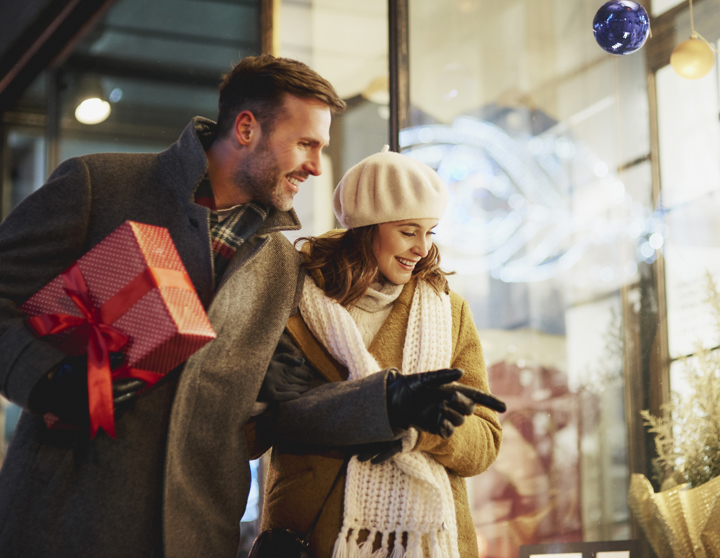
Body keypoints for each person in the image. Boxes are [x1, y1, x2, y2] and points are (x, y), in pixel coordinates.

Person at [0, 54, 344, 557]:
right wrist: (47, 378)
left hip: (197, 536)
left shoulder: (282, 268)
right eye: (306, 143)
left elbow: (266, 421)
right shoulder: (100, 185)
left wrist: (265, 393)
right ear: (246, 128)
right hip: (64, 520)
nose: (316, 166)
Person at [247, 148, 504, 558]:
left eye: (430, 231)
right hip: (311, 539)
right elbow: (246, 436)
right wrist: (254, 391)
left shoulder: (447, 311)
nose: (422, 248)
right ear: (368, 227)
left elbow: (485, 442)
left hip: (424, 542)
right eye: (408, 231)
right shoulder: (290, 299)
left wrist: (420, 429)